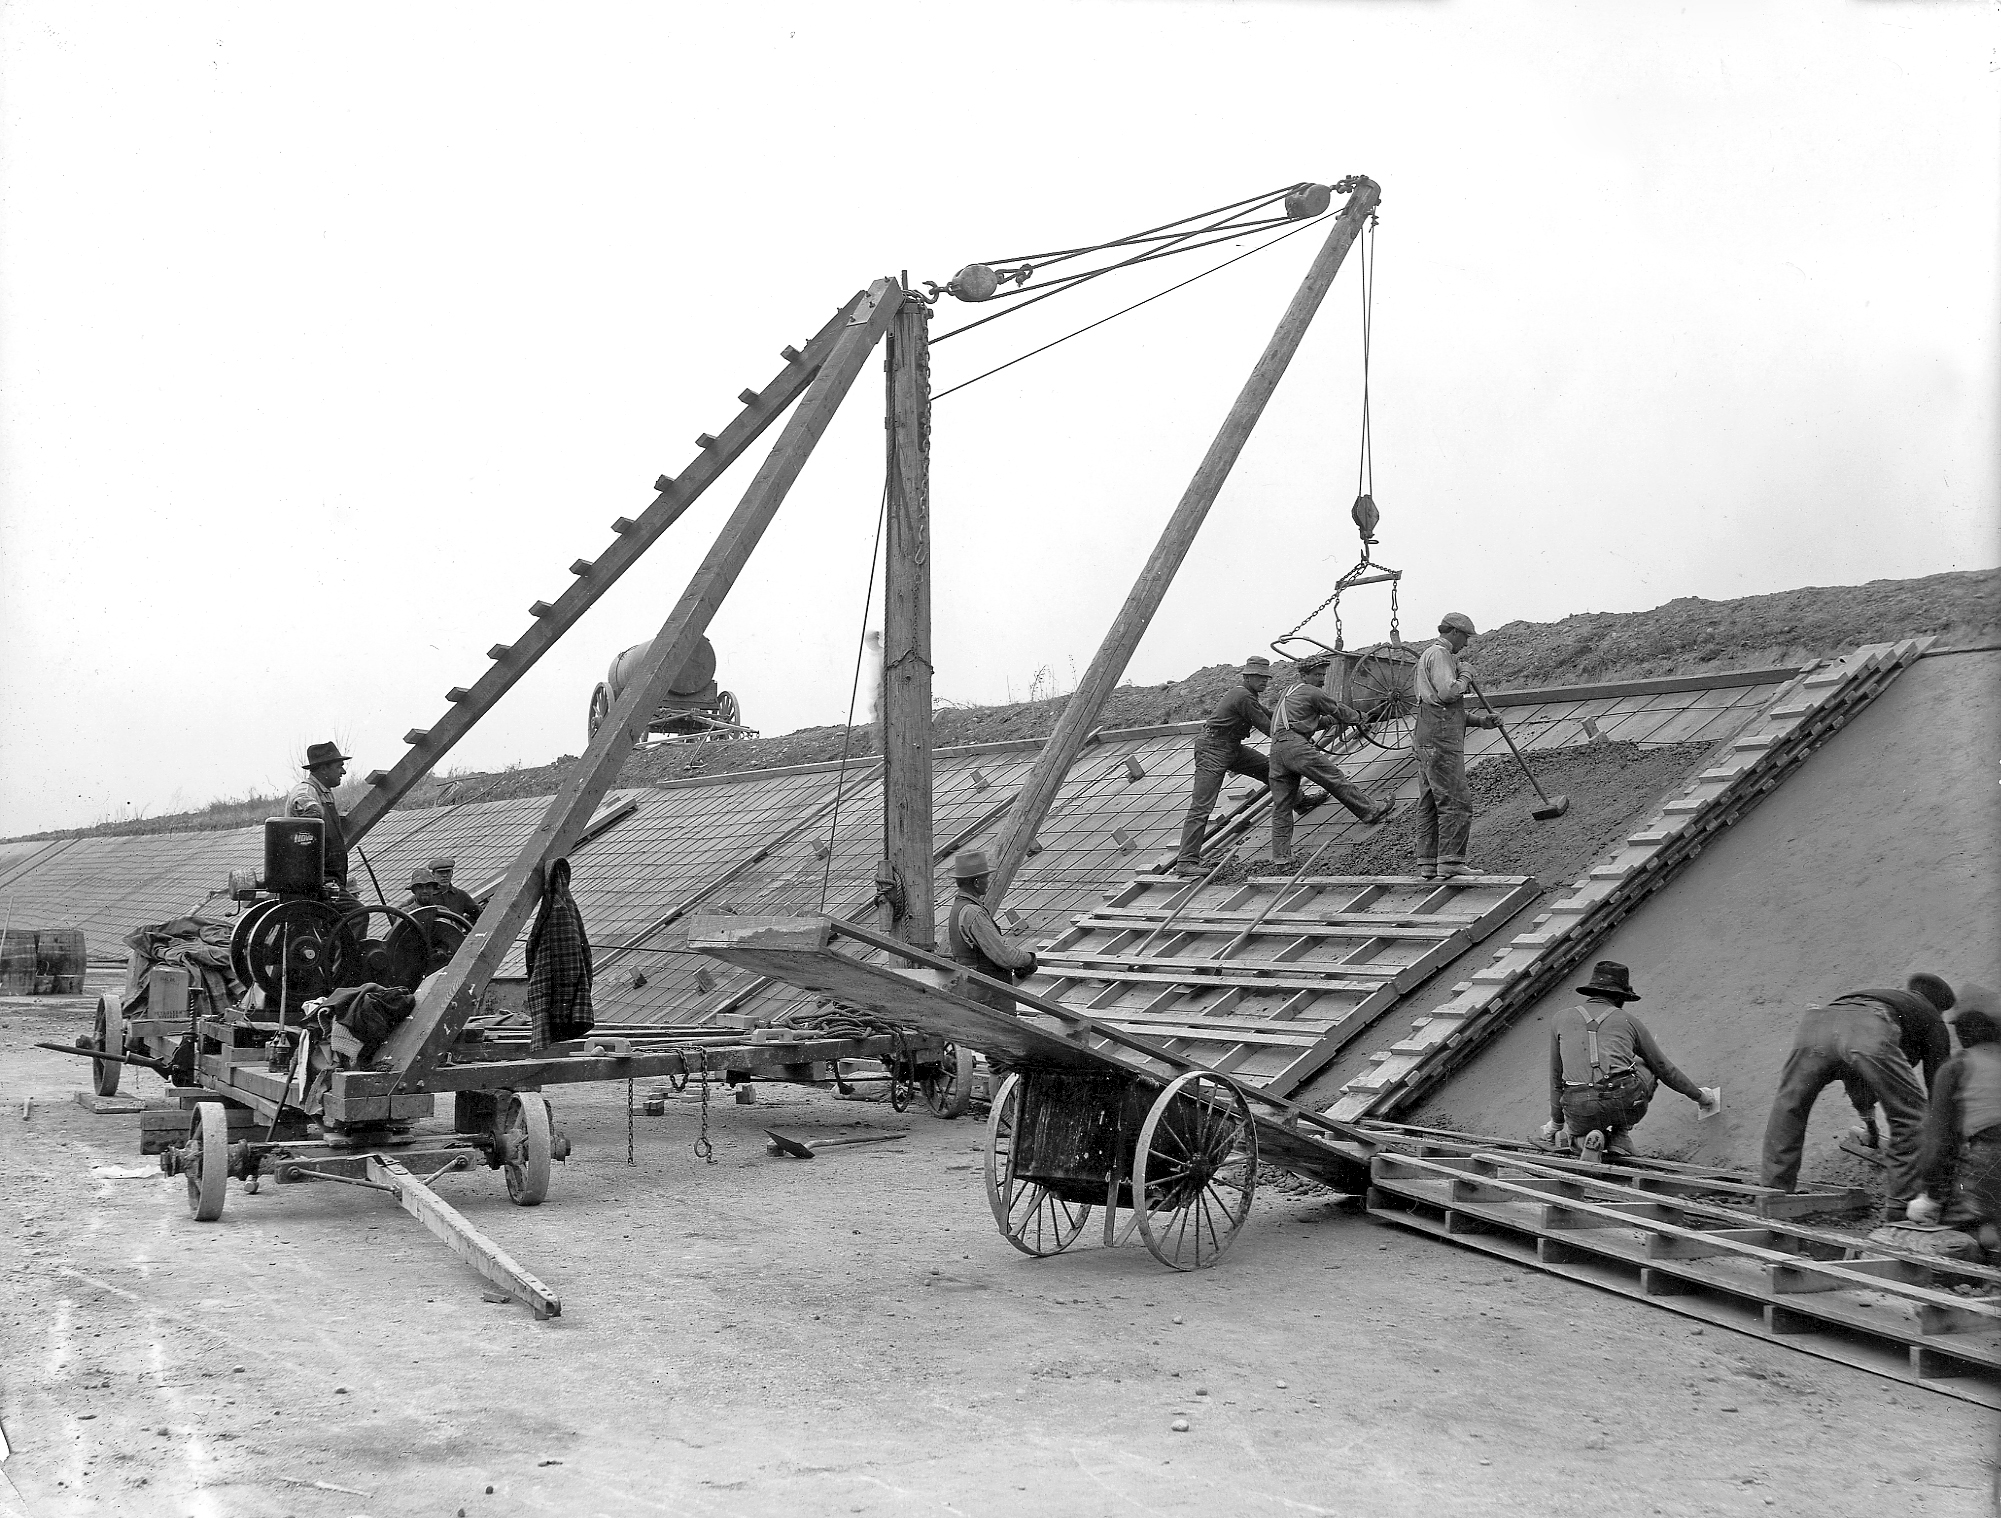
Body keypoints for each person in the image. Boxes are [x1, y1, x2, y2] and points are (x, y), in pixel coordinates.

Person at [1761, 972, 1955, 1221]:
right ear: (1939, 1007)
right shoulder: (1932, 1018)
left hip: (1817, 1024)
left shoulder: (1890, 1000)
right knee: (1913, 1117)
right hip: (1866, 1025)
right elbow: (1939, 1088)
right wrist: (1946, 1142)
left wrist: (1871, 1127)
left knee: (1789, 1108)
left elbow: (1856, 1078)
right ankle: (1900, 1207)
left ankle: (1773, 1193)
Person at [1540, 960, 1718, 1155]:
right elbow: (1663, 1067)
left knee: (1577, 1132)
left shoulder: (1560, 1019)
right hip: (1623, 1100)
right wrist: (1700, 1097)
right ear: (1619, 997)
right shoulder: (1629, 1021)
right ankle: (1620, 1135)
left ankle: (1584, 1141)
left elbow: (1555, 1078)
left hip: (1580, 1106)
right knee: (1646, 1065)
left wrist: (1556, 1123)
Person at [1267, 651, 1394, 864]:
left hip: (1276, 750)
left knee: (1282, 804)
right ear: (1304, 675)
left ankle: (1281, 855)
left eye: (1324, 675)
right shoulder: (1312, 692)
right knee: (1334, 778)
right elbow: (1338, 710)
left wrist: (1331, 721)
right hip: (1296, 747)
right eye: (1317, 675)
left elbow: (1307, 721)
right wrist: (1359, 717)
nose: (1322, 679)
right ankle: (1370, 810)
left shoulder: (1288, 693)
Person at [1412, 612, 1502, 880]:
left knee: (1430, 801)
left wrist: (1481, 722)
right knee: (1456, 800)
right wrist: (1465, 676)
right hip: (1440, 740)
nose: (1466, 643)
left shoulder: (1429, 655)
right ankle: (1451, 861)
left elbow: (1442, 708)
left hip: (1427, 734)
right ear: (1454, 632)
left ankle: (1429, 862)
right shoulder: (1440, 654)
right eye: (1465, 637)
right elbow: (1448, 693)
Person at [1908, 988, 2000, 1239]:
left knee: (1963, 1231)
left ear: (1964, 1030)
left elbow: (1939, 1142)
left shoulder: (1957, 1068)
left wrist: (1931, 1196)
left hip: (1989, 1165)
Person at [1171, 657, 1273, 876]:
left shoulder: (1247, 695)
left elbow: (1270, 716)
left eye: (1266, 677)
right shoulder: (1243, 696)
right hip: (1213, 749)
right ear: (1247, 677)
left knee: (1269, 769)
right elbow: (1268, 726)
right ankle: (1186, 861)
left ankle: (1300, 802)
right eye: (1259, 677)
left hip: (1230, 747)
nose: (1264, 681)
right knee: (1202, 806)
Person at [944, 849, 1039, 1014]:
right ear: (976, 882)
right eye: (985, 878)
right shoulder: (973, 912)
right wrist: (1029, 959)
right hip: (989, 997)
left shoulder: (959, 908)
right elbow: (1004, 956)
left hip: (972, 991)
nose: (988, 882)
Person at [286, 741, 362, 913]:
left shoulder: (326, 793)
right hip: (316, 880)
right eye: (339, 766)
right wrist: (313, 810)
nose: (343, 771)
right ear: (323, 769)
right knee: (357, 915)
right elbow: (304, 804)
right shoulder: (306, 790)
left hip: (327, 878)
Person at [427, 856, 482, 924]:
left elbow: (480, 914)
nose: (444, 875)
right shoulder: (427, 896)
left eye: (447, 872)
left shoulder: (461, 895)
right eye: (440, 872)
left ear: (452, 873)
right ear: (433, 874)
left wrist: (465, 925)